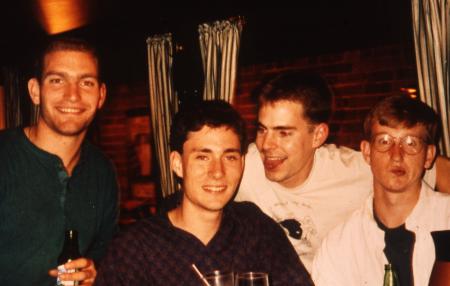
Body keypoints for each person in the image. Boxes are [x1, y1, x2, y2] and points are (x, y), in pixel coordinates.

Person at [234, 71, 450, 272]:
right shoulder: (242, 166)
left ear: (318, 136)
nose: (266, 145)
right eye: (262, 130)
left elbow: (439, 169)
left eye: (284, 133)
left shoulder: (354, 169)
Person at [95, 100, 313, 286]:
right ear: (177, 164)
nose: (217, 172)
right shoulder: (134, 249)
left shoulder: (257, 230)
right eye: (203, 157)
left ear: (242, 163)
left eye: (229, 157)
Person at [0, 37, 119, 285]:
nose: (72, 95)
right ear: (35, 91)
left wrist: (93, 272)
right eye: (57, 80)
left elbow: (104, 253)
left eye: (86, 83)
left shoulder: (103, 171)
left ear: (101, 96)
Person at [311, 95, 450, 285]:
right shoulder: (339, 247)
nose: (396, 156)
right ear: (367, 152)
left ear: (428, 156)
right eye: (384, 141)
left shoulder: (446, 218)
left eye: (411, 143)